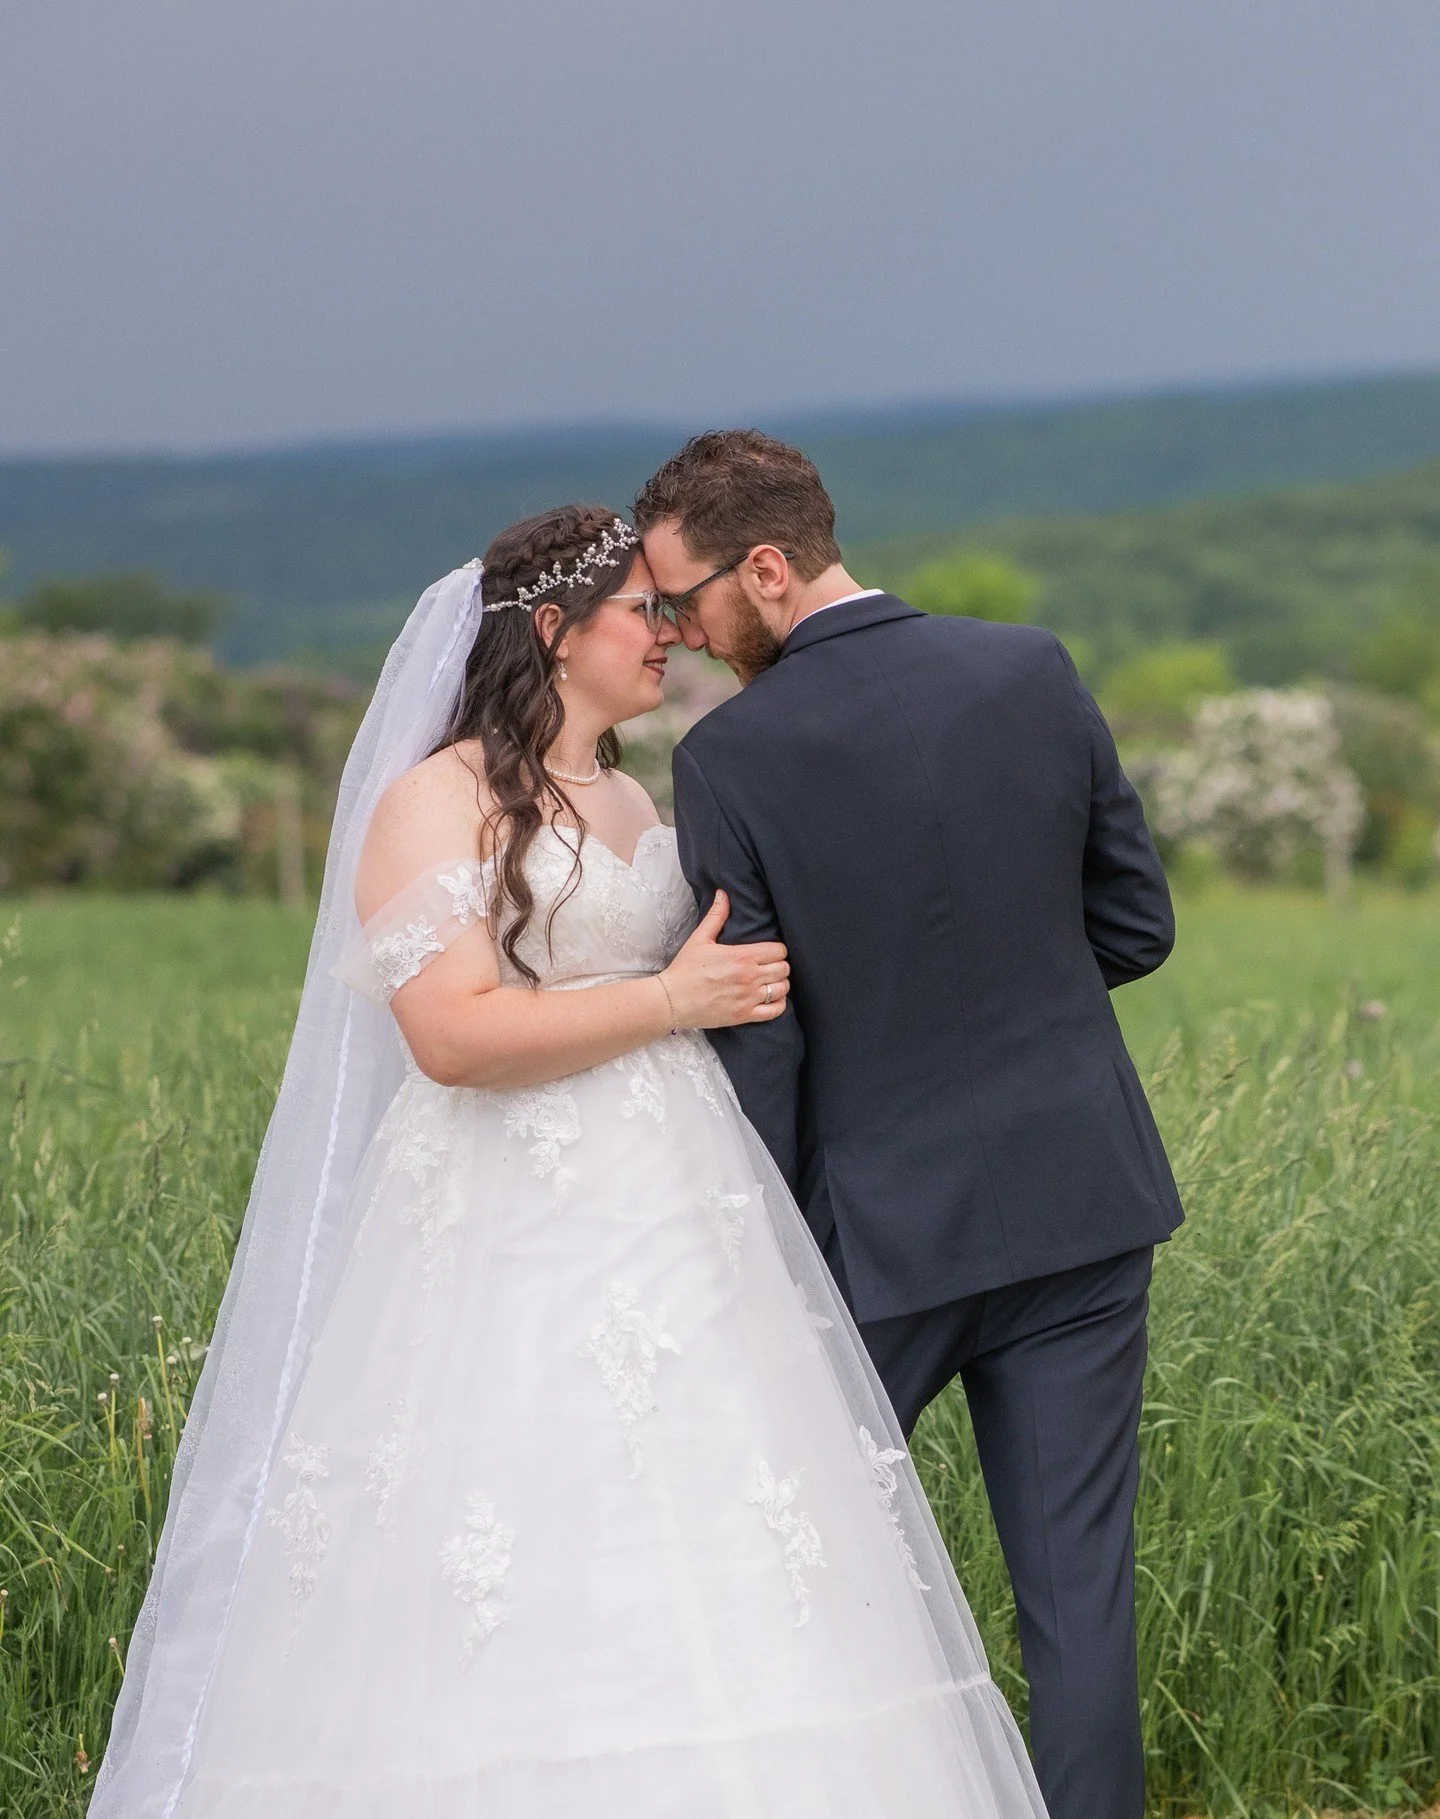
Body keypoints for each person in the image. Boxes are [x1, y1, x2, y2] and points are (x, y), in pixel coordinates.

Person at [89, 503, 1047, 1819]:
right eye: (639, 612)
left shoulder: (631, 792)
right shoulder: (437, 799)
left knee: (723, 1528)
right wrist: (673, 1000)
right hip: (503, 1220)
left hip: (679, 1210)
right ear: (553, 630)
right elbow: (453, 1034)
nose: (668, 634)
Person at [636, 431, 1183, 1819]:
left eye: (685, 600)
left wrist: (775, 1247)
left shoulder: (732, 756)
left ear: (766, 568)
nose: (677, 634)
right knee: (1079, 1609)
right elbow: (1136, 925)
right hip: (1080, 1201)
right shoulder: (1032, 669)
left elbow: (763, 1034)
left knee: (795, 1572)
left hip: (870, 1242)